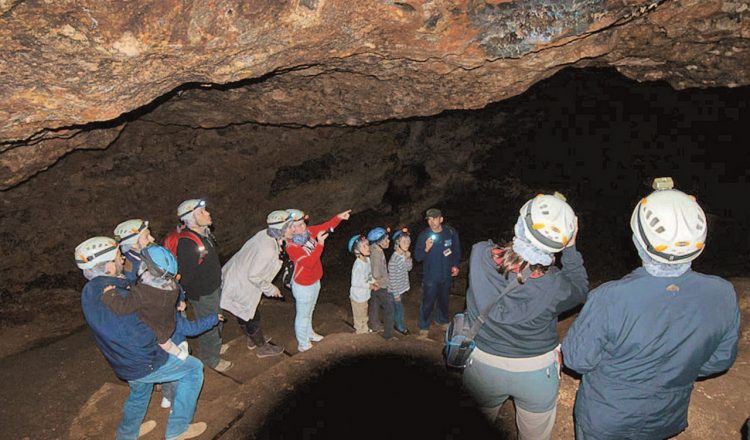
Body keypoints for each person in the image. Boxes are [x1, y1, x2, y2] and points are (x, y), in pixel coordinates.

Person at [562, 178, 741, 440]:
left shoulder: (610, 297)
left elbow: (577, 360)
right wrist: (673, 370)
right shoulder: (723, 293)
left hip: (607, 419)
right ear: (700, 242)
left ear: (639, 241)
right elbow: (719, 360)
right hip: (664, 417)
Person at [462, 193, 588, 440]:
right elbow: (580, 288)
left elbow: (501, 254)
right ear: (561, 244)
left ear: (519, 226)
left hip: (483, 366)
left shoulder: (479, 255)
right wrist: (571, 248)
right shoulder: (557, 286)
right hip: (536, 372)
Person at [75, 236, 206, 440]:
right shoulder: (119, 296)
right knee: (194, 370)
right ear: (109, 266)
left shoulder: (90, 290)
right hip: (143, 361)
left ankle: (127, 435)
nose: (123, 259)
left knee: (139, 393)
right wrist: (163, 333)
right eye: (119, 256)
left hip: (121, 360)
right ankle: (178, 430)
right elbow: (139, 336)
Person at [220, 210, 293, 358]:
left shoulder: (265, 234)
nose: (293, 229)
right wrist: (270, 288)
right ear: (281, 229)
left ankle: (252, 339)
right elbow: (254, 275)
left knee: (244, 313)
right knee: (251, 315)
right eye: (290, 227)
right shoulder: (268, 250)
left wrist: (283, 242)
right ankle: (261, 347)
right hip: (241, 283)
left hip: (236, 275)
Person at [102, 245, 191, 360]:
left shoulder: (143, 292)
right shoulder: (173, 287)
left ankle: (180, 355)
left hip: (156, 330)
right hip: (168, 322)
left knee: (165, 345)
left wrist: (110, 294)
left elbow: (122, 308)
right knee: (166, 340)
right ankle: (180, 351)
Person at [172, 198, 231, 372]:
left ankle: (216, 347)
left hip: (213, 287)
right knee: (209, 324)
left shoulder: (203, 233)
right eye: (202, 212)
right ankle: (211, 358)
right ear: (191, 219)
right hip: (203, 293)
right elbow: (186, 275)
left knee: (217, 319)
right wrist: (183, 298)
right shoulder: (187, 243)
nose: (208, 214)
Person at [285, 208, 351, 352]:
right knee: (303, 315)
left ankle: (309, 334)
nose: (304, 227)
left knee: (310, 310)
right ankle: (303, 344)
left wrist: (338, 217)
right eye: (299, 225)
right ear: (291, 228)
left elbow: (324, 226)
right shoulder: (292, 247)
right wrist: (320, 244)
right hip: (303, 285)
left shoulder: (307, 233)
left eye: (303, 223)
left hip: (315, 280)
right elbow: (309, 263)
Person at [414, 208, 461, 338]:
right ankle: (424, 326)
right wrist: (426, 248)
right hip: (431, 276)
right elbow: (418, 257)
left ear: (441, 219)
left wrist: (455, 265)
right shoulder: (424, 235)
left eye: (435, 218)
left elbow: (456, 250)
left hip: (446, 274)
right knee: (428, 301)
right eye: (429, 219)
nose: (432, 222)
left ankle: (441, 320)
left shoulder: (450, 232)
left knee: (444, 299)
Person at [367, 227, 395, 340]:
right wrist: (386, 279)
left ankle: (374, 326)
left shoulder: (373, 249)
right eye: (386, 239)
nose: (388, 241)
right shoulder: (377, 253)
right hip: (380, 285)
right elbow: (376, 273)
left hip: (375, 286)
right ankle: (388, 335)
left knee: (374, 304)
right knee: (390, 309)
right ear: (379, 240)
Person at [348, 234, 375, 334]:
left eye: (367, 245)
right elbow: (356, 282)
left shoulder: (367, 260)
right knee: (359, 315)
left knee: (364, 312)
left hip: (365, 295)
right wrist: (369, 285)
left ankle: (365, 328)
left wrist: (373, 282)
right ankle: (360, 331)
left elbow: (368, 275)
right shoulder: (358, 265)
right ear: (357, 251)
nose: (367, 247)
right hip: (357, 296)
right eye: (364, 246)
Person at [113, 219, 155, 283]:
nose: (153, 239)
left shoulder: (141, 257)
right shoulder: (133, 267)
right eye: (146, 237)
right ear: (134, 245)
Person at [388, 228, 413, 335]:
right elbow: (392, 279)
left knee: (397, 308)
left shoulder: (403, 255)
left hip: (400, 288)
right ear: (397, 243)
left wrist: (408, 258)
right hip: (395, 290)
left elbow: (409, 268)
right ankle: (400, 327)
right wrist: (396, 294)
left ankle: (394, 323)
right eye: (404, 242)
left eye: (408, 241)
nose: (407, 244)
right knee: (399, 309)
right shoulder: (394, 259)